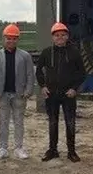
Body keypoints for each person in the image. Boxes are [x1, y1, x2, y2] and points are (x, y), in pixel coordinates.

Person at [35, 22, 86, 162]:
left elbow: (82, 73)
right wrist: (43, 86)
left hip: (68, 94)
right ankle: (52, 150)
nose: (60, 38)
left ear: (67, 36)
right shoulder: (46, 52)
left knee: (70, 122)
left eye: (63, 35)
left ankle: (71, 151)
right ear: (53, 37)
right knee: (53, 122)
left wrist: (74, 89)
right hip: (51, 94)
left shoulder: (74, 52)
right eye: (57, 35)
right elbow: (39, 71)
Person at [0, 24, 35, 160]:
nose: (11, 41)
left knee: (19, 121)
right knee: (3, 121)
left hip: (19, 94)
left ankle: (19, 148)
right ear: (4, 38)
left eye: (14, 38)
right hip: (2, 94)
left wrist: (28, 90)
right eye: (9, 38)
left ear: (18, 40)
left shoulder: (25, 56)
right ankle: (3, 148)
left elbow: (30, 74)